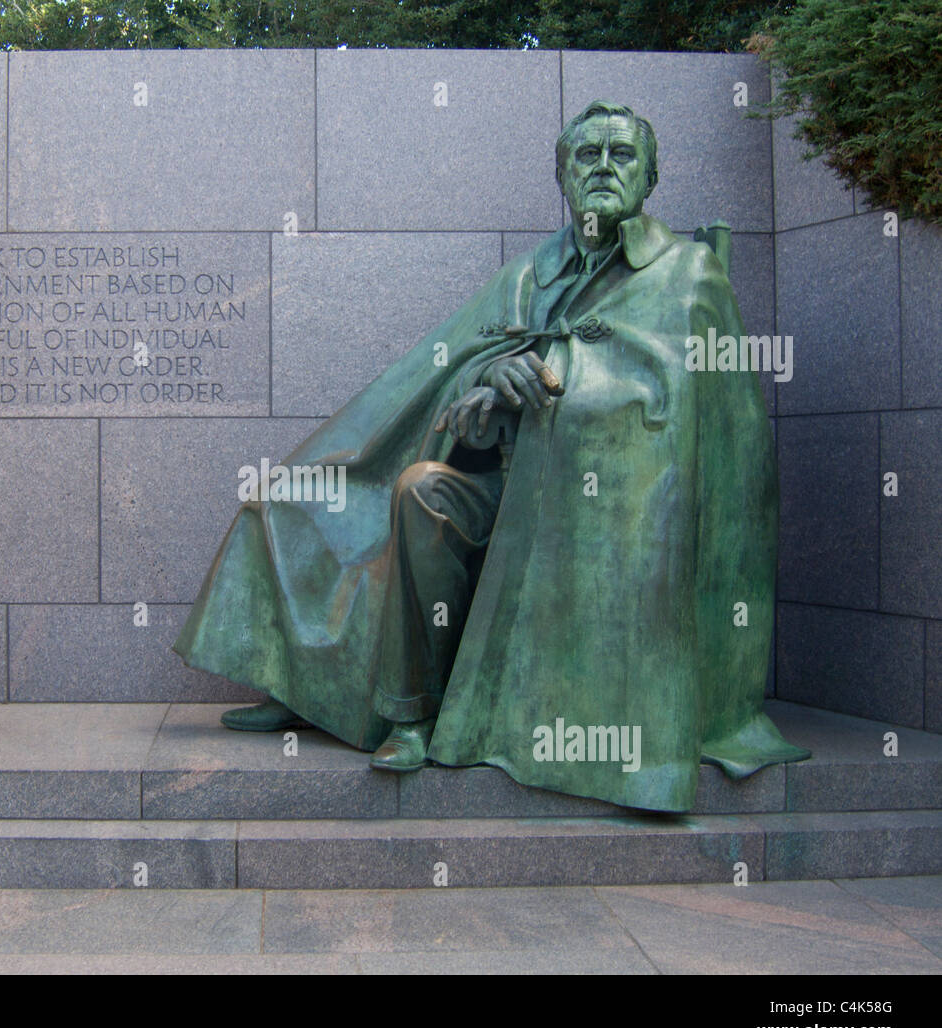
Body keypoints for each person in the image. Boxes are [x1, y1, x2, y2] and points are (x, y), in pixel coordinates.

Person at [173, 100, 808, 812]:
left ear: (652, 175)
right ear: (562, 175)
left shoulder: (687, 273)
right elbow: (448, 373)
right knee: (400, 488)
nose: (602, 167)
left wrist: (552, 374)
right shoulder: (529, 275)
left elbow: (681, 412)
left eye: (621, 155)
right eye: (585, 155)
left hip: (597, 511)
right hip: (501, 485)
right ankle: (381, 705)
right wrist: (485, 383)